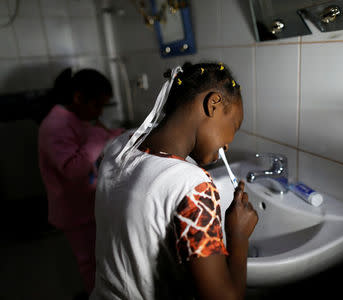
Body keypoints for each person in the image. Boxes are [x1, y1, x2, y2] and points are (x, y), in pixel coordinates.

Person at [91, 62, 258, 300]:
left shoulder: (120, 145)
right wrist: (239, 236)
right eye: (234, 126)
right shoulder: (193, 186)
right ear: (213, 104)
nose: (229, 143)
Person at [38, 68, 123, 295]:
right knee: (90, 263)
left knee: (101, 257)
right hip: (74, 211)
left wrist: (123, 134)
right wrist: (98, 137)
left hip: (88, 204)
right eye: (96, 106)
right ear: (78, 98)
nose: (99, 114)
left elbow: (99, 135)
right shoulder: (55, 126)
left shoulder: (77, 117)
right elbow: (74, 169)